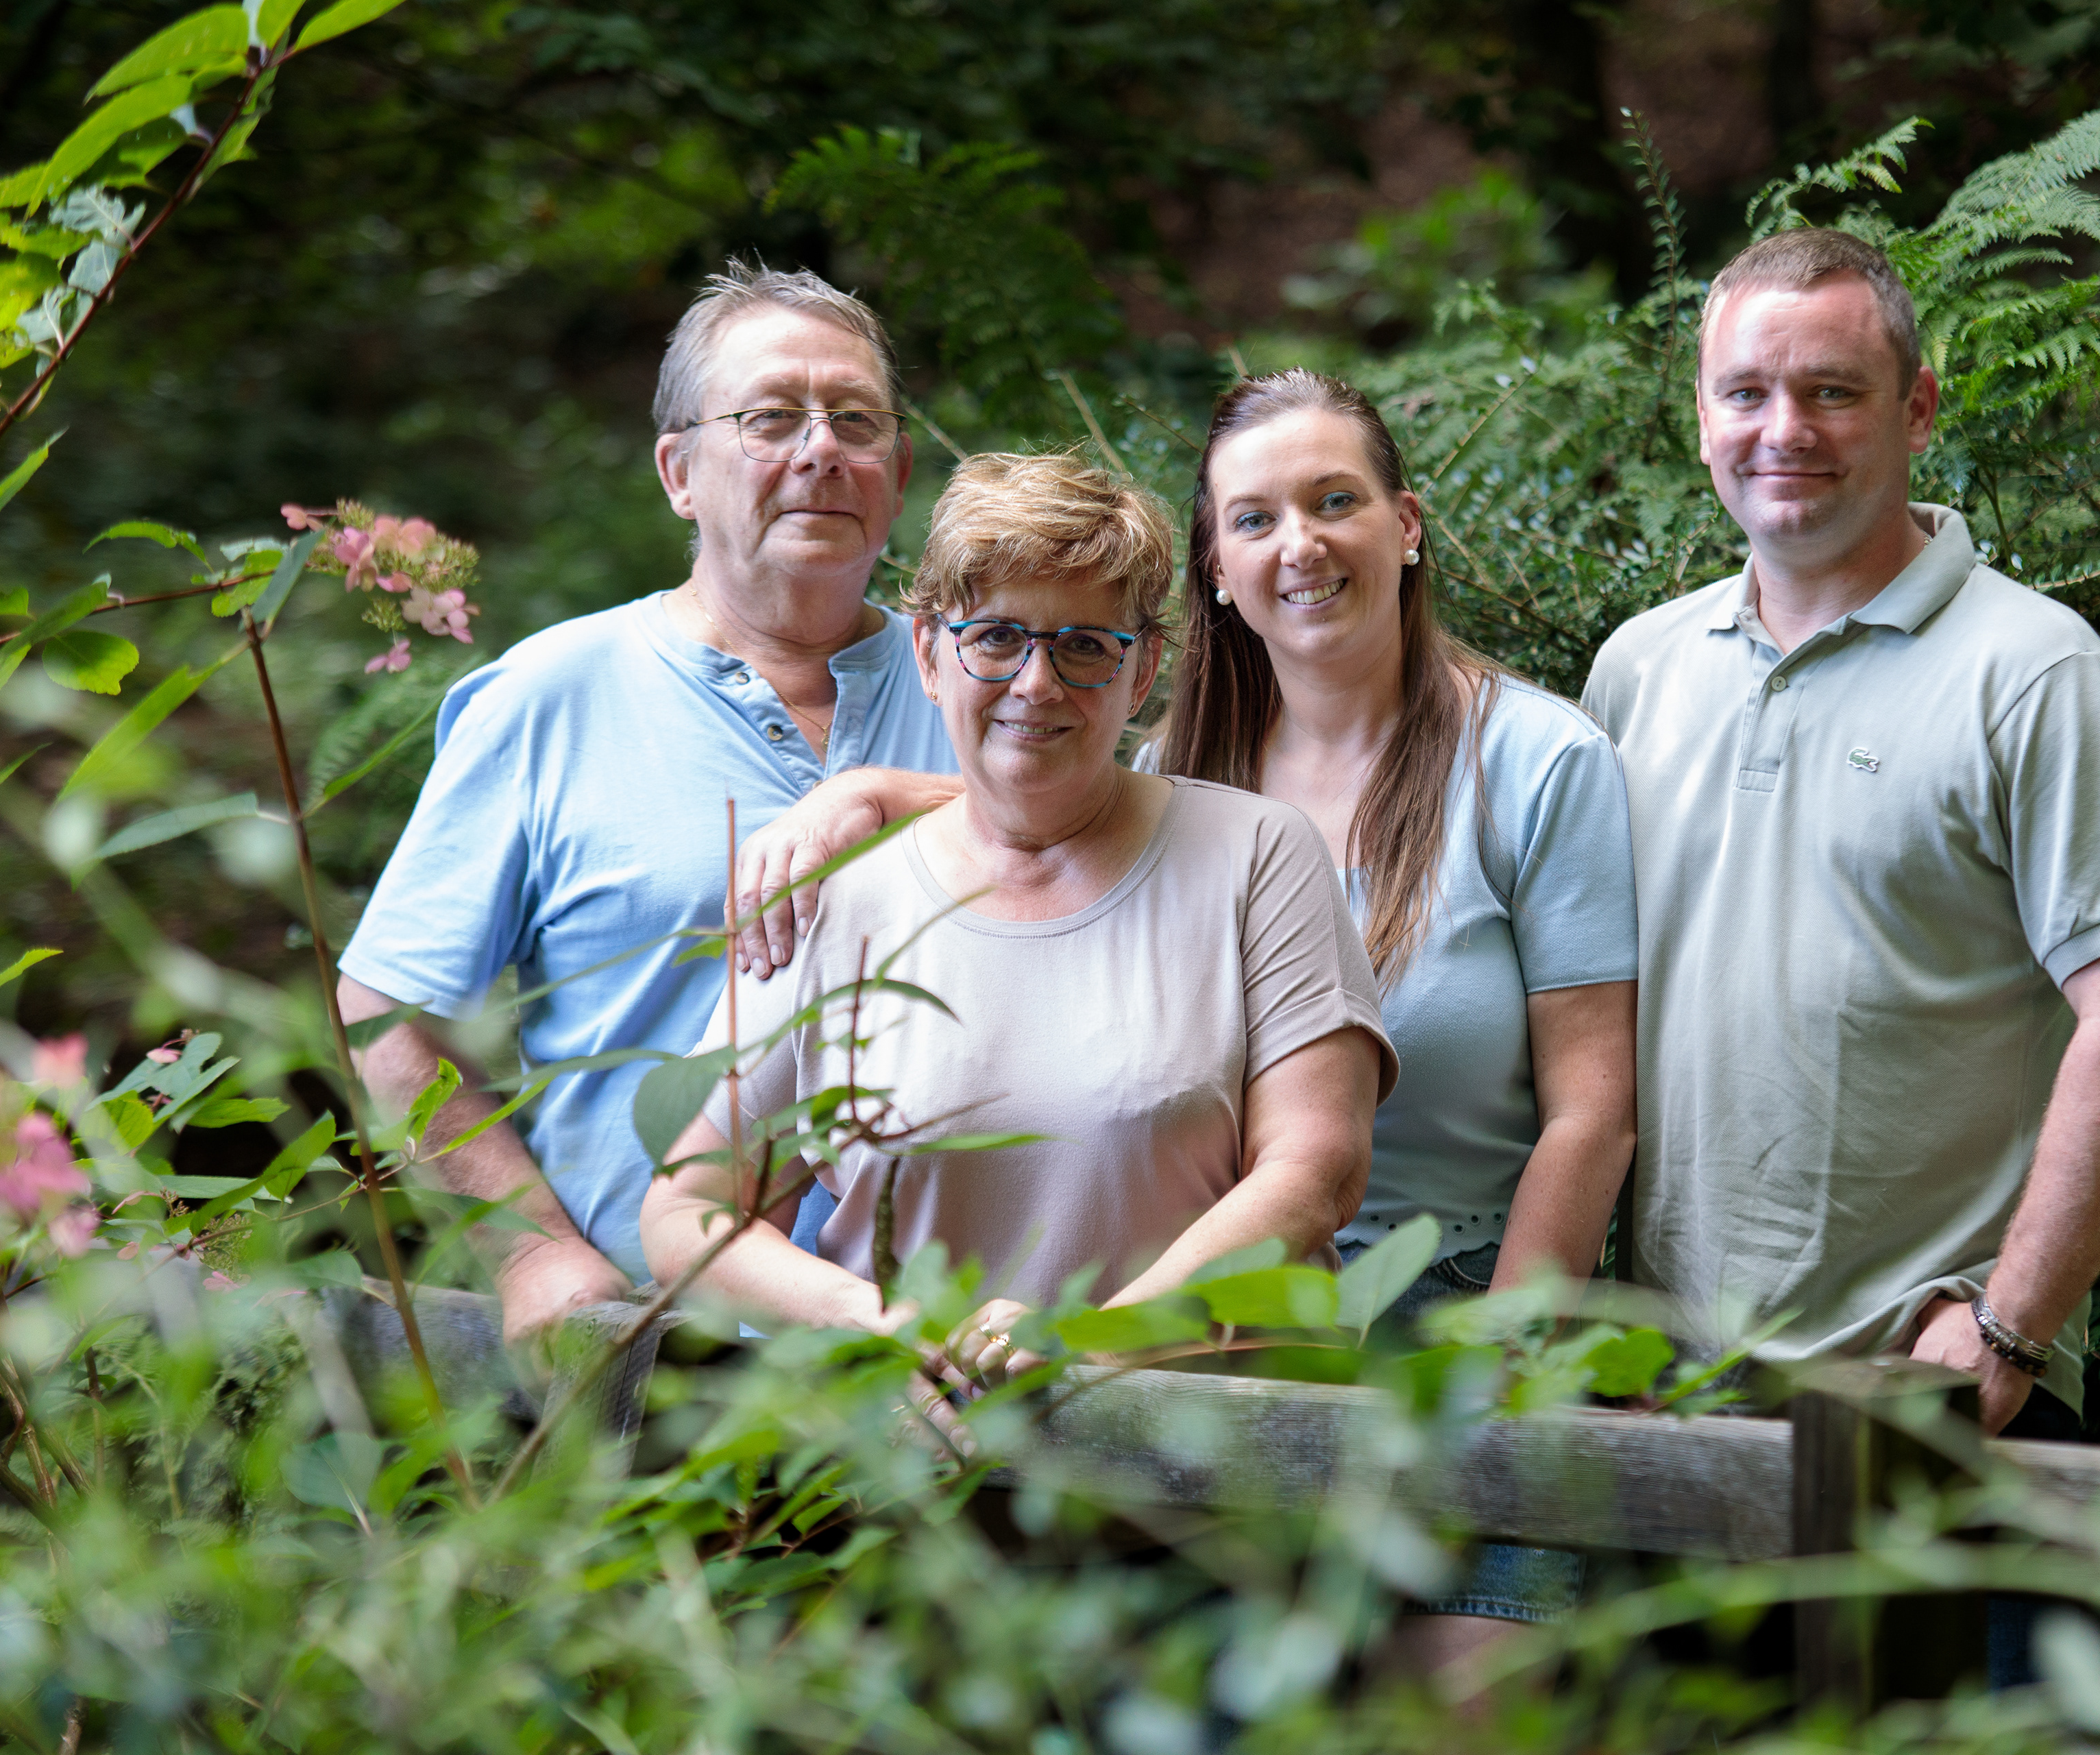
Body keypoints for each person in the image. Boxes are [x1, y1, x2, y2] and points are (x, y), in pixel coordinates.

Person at [1580, 226, 2100, 1674]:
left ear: (1919, 410)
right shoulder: (1636, 668)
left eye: (1832, 392)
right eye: (1745, 393)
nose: (1781, 431)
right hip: (1669, 1413)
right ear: (1699, 415)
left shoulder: (2037, 673)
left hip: (1932, 1404)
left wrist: (2011, 1326)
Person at [639, 452, 1394, 1357]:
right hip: (916, 1456)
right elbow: (688, 1207)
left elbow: (1316, 1172)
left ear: (1144, 665)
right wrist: (887, 1330)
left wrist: (1083, 1348)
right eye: (996, 637)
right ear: (929, 652)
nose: (1037, 685)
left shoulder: (1256, 857)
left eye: (1084, 645)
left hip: (1219, 1455)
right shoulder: (835, 898)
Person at [337, 263, 962, 1343]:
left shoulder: (994, 688)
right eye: (770, 417)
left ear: (898, 472)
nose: (821, 450)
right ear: (680, 472)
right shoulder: (550, 698)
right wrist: (530, 1249)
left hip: (948, 1353)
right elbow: (388, 1017)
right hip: (654, 1353)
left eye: (856, 421)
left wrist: (891, 794)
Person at [1151, 369, 1639, 1675]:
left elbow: (1593, 1109)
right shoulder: (1164, 788)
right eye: (1253, 520)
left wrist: (1507, 1371)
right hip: (1223, 1327)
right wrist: (859, 798)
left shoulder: (1539, 762)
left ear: (1406, 524)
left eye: (1334, 502)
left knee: (1465, 1705)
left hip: (1468, 1303)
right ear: (1214, 568)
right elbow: (998, 811)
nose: (1298, 545)